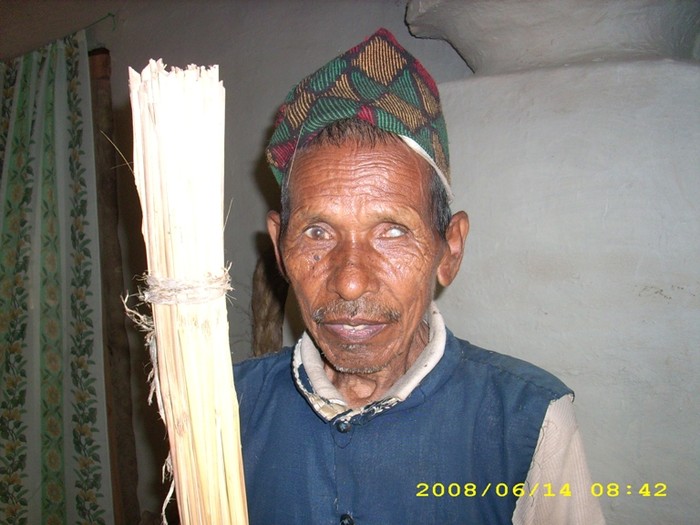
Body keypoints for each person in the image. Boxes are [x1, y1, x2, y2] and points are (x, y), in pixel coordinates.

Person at [234, 28, 605, 525]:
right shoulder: (223, 408)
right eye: (318, 232)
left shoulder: (530, 421)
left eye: (391, 231)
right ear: (281, 248)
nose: (350, 282)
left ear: (449, 250)